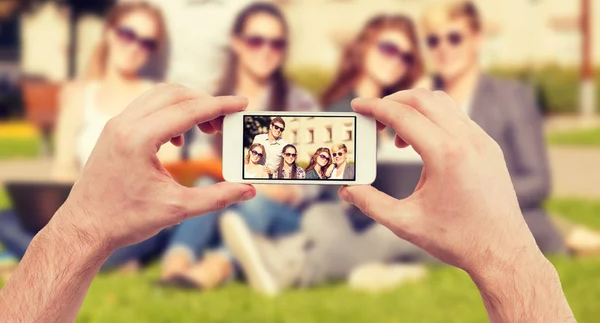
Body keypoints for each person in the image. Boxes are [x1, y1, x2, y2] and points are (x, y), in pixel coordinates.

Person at [0, 87, 576, 322]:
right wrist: (512, 261)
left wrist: (75, 232)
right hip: (282, 206)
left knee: (277, 214)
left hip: (304, 209)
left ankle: (231, 264)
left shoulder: (298, 103)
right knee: (250, 210)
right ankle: (214, 264)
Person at [221, 14, 428, 294]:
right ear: (364, 48)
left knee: (409, 233)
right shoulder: (339, 114)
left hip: (391, 219)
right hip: (345, 217)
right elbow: (316, 183)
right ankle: (374, 268)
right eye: (388, 49)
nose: (396, 60)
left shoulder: (401, 118)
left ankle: (284, 261)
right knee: (327, 223)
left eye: (406, 57)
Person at [0, 0, 176, 270]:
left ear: (152, 51)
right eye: (128, 34)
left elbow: (169, 173)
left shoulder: (156, 99)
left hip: (133, 215)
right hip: (84, 210)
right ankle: (99, 261)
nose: (134, 47)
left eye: (146, 42)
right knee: (5, 219)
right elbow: (63, 167)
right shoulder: (80, 96)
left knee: (150, 232)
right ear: (109, 33)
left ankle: (49, 259)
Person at [419, 0, 600, 256]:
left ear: (477, 40)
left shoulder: (512, 97)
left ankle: (570, 236)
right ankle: (572, 235)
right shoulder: (423, 100)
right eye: (433, 41)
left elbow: (537, 182)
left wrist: (473, 197)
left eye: (455, 38)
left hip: (503, 217)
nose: (444, 48)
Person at [158, 2, 319, 289]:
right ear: (237, 43)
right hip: (223, 200)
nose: (266, 50)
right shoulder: (216, 102)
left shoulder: (299, 103)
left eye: (277, 44)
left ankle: (213, 270)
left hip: (277, 212)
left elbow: (314, 180)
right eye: (256, 41)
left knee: (253, 203)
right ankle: (175, 265)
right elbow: (199, 161)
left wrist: (286, 189)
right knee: (208, 184)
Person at [119, 0, 252, 157]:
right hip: (138, 119)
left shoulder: (241, 6)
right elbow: (113, 52)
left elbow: (245, 79)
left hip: (202, 134)